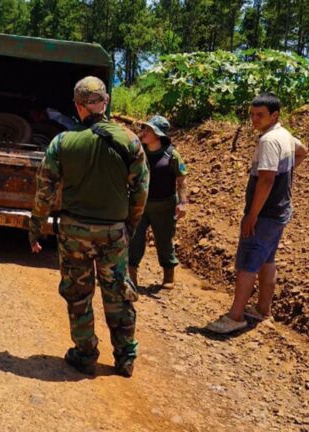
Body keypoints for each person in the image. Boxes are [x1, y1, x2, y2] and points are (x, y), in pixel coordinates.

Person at [29, 76, 149, 377]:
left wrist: (36, 225)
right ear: (105, 101)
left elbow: (44, 189)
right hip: (114, 232)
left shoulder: (62, 142)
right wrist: (130, 225)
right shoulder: (130, 141)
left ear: (78, 106)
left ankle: (85, 354)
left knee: (78, 293)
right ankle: (125, 357)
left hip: (74, 233)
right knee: (118, 294)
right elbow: (141, 191)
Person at [207, 93, 308, 334]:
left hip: (265, 214)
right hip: (280, 210)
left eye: (260, 115)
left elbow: (266, 179)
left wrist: (252, 214)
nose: (254, 119)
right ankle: (262, 310)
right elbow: (302, 150)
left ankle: (235, 316)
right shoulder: (284, 135)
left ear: (275, 115)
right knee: (267, 260)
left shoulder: (269, 141)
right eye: (252, 114)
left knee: (247, 263)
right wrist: (288, 176)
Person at [128, 115, 188, 289]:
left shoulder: (172, 155)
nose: (144, 132)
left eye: (149, 129)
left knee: (164, 240)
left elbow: (182, 180)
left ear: (158, 134)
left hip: (164, 206)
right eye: (144, 128)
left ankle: (168, 276)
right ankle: (132, 277)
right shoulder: (138, 152)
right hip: (140, 203)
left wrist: (183, 202)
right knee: (135, 239)